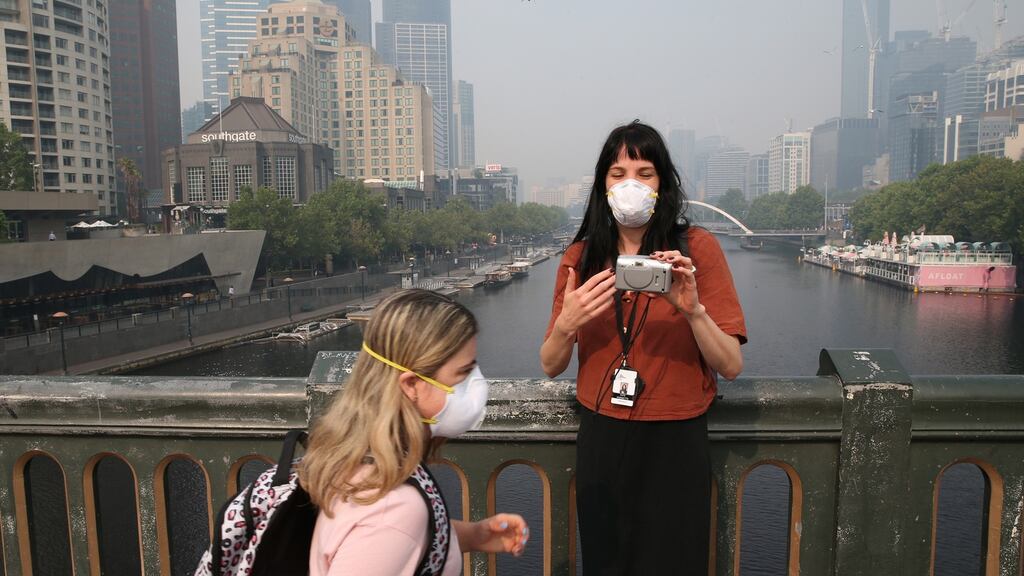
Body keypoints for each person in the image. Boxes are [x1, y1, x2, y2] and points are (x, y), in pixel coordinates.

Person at [540, 120, 746, 574]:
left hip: (676, 436)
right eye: (618, 173)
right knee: (605, 561)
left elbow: (730, 364)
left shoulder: (697, 251)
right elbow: (551, 363)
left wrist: (693, 311)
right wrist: (567, 324)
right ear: (602, 184)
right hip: (602, 431)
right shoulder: (581, 258)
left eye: (644, 172)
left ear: (663, 183)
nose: (630, 183)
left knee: (676, 561)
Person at [301, 289, 529, 576]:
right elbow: (391, 532)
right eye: (463, 373)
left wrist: (474, 535)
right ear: (411, 385)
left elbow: (399, 543)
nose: (477, 383)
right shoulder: (394, 511)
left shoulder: (363, 460)